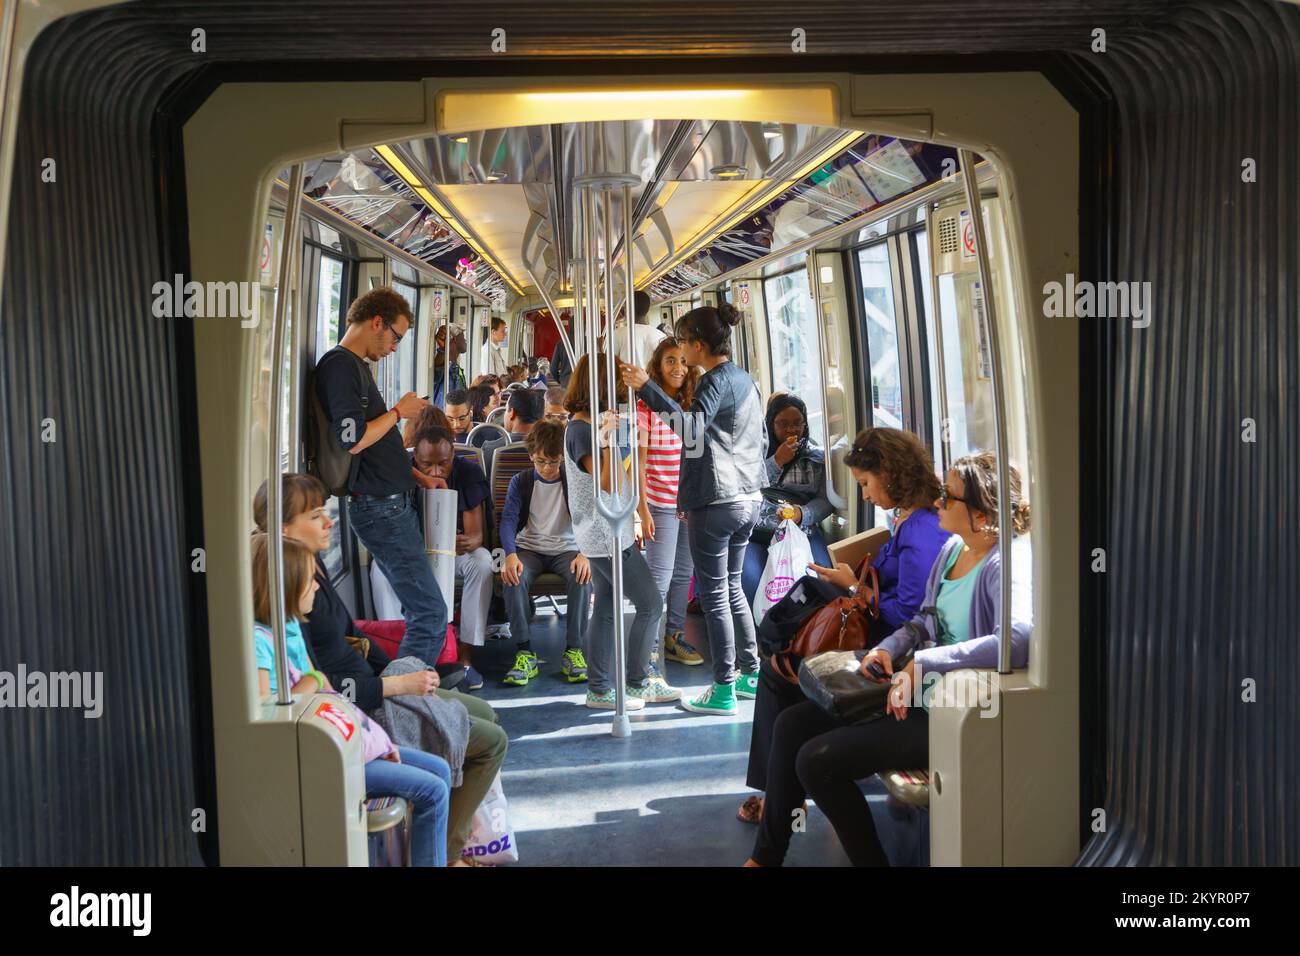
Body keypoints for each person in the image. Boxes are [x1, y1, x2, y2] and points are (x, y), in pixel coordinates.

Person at [746, 452, 1033, 867]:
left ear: (979, 511)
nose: (937, 504)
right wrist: (888, 650)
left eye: (948, 497)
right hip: (915, 693)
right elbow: (921, 623)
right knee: (792, 724)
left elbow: (1016, 638)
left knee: (816, 762)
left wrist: (925, 663)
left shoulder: (1003, 563)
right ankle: (765, 858)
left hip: (952, 712)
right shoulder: (953, 551)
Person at [255, 475, 507, 864]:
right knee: (490, 743)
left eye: (326, 510)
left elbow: (350, 639)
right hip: (366, 702)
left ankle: (445, 844)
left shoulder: (313, 570)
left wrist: (394, 669)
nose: (330, 522)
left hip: (376, 682)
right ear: (285, 528)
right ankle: (450, 853)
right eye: (316, 514)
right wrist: (397, 684)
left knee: (485, 714)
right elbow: (328, 687)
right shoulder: (290, 597)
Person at [738, 426, 952, 825]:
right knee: (782, 659)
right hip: (880, 632)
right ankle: (782, 794)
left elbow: (907, 614)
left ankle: (779, 796)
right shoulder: (907, 519)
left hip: (891, 647)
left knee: (779, 671)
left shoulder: (921, 530)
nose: (866, 495)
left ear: (889, 473)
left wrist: (852, 585)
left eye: (867, 484)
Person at [249, 532, 451, 867]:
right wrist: (312, 680)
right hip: (313, 756)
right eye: (308, 580)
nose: (317, 587)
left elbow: (324, 688)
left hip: (337, 740)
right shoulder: (261, 642)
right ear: (284, 586)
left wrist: (377, 739)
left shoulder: (292, 627)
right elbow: (267, 714)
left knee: (440, 769)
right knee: (432, 792)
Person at [620, 302, 765, 716]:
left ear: (699, 344)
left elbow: (690, 431)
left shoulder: (714, 382)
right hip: (748, 498)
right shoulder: (746, 381)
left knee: (715, 594)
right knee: (733, 588)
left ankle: (722, 688)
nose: (682, 352)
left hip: (716, 501)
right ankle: (750, 672)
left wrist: (649, 388)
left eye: (684, 342)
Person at [314, 286, 446, 665]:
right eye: (397, 336)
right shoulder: (340, 366)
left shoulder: (356, 367)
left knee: (422, 608)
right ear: (377, 322)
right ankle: (406, 703)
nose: (395, 346)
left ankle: (407, 695)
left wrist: (421, 479)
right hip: (381, 510)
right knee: (430, 612)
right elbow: (353, 439)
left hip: (391, 505)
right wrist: (399, 412)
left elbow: (375, 446)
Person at [565, 354, 680, 710]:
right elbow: (607, 480)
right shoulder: (583, 430)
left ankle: (599, 688)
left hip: (600, 532)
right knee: (649, 603)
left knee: (606, 609)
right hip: (606, 533)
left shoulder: (585, 426)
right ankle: (637, 681)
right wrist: (610, 437)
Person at [498, 421, 592, 686]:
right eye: (541, 462)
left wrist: (585, 552)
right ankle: (525, 652)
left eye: (554, 462)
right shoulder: (522, 481)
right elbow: (508, 521)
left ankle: (574, 649)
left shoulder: (575, 480)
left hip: (567, 549)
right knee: (513, 577)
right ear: (531, 457)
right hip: (530, 548)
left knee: (582, 576)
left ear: (563, 458)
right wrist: (510, 554)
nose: (548, 469)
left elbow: (589, 519)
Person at [635, 336, 704, 669]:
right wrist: (642, 509)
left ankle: (673, 636)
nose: (678, 368)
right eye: (670, 361)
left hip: (687, 502)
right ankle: (648, 647)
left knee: (683, 574)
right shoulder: (644, 407)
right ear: (657, 367)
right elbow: (640, 463)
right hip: (659, 503)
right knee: (659, 577)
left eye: (683, 361)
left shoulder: (693, 406)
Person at [412, 425, 493, 691]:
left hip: (454, 553)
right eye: (427, 465)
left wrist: (463, 541)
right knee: (380, 568)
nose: (435, 472)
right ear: (415, 460)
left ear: (453, 456)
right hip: (415, 554)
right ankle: (406, 656)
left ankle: (465, 654)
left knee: (481, 562)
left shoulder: (467, 473)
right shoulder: (403, 473)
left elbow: (475, 537)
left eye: (443, 464)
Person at [741, 393, 835, 608]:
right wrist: (776, 461)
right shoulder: (756, 450)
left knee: (820, 572)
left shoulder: (817, 457)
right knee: (750, 578)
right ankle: (763, 631)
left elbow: (825, 499)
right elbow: (746, 485)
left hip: (801, 529)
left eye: (797, 424)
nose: (791, 430)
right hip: (759, 532)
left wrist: (803, 514)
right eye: (783, 424)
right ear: (770, 424)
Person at [613, 290, 667, 367]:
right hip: (652, 379)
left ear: (627, 309)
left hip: (626, 378)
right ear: (648, 309)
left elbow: (611, 362)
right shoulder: (661, 336)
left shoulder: (618, 333)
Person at [432, 323, 468, 406]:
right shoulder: (445, 366)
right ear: (455, 339)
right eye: (462, 337)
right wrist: (442, 349)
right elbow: (438, 365)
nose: (465, 340)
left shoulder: (456, 368)